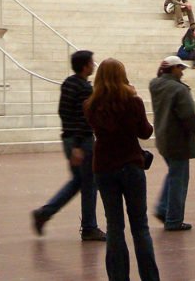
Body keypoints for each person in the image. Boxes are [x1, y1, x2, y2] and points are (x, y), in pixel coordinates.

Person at [83, 59, 160, 281]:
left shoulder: (90, 105)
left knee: (114, 227)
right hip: (131, 164)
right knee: (140, 226)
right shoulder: (133, 101)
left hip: (104, 167)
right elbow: (145, 132)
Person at [32, 50, 106, 242]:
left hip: (70, 138)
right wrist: (78, 144)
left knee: (79, 181)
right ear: (84, 66)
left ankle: (45, 213)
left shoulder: (69, 84)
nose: (93, 65)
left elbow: (63, 112)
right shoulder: (83, 88)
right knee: (89, 183)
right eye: (91, 62)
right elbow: (84, 118)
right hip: (81, 141)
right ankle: (89, 227)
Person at [150, 56, 195, 231]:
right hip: (178, 140)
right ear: (173, 69)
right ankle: (173, 219)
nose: (182, 71)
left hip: (163, 138)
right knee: (179, 179)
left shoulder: (155, 84)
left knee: (173, 174)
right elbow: (189, 116)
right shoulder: (179, 89)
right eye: (180, 68)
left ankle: (163, 209)